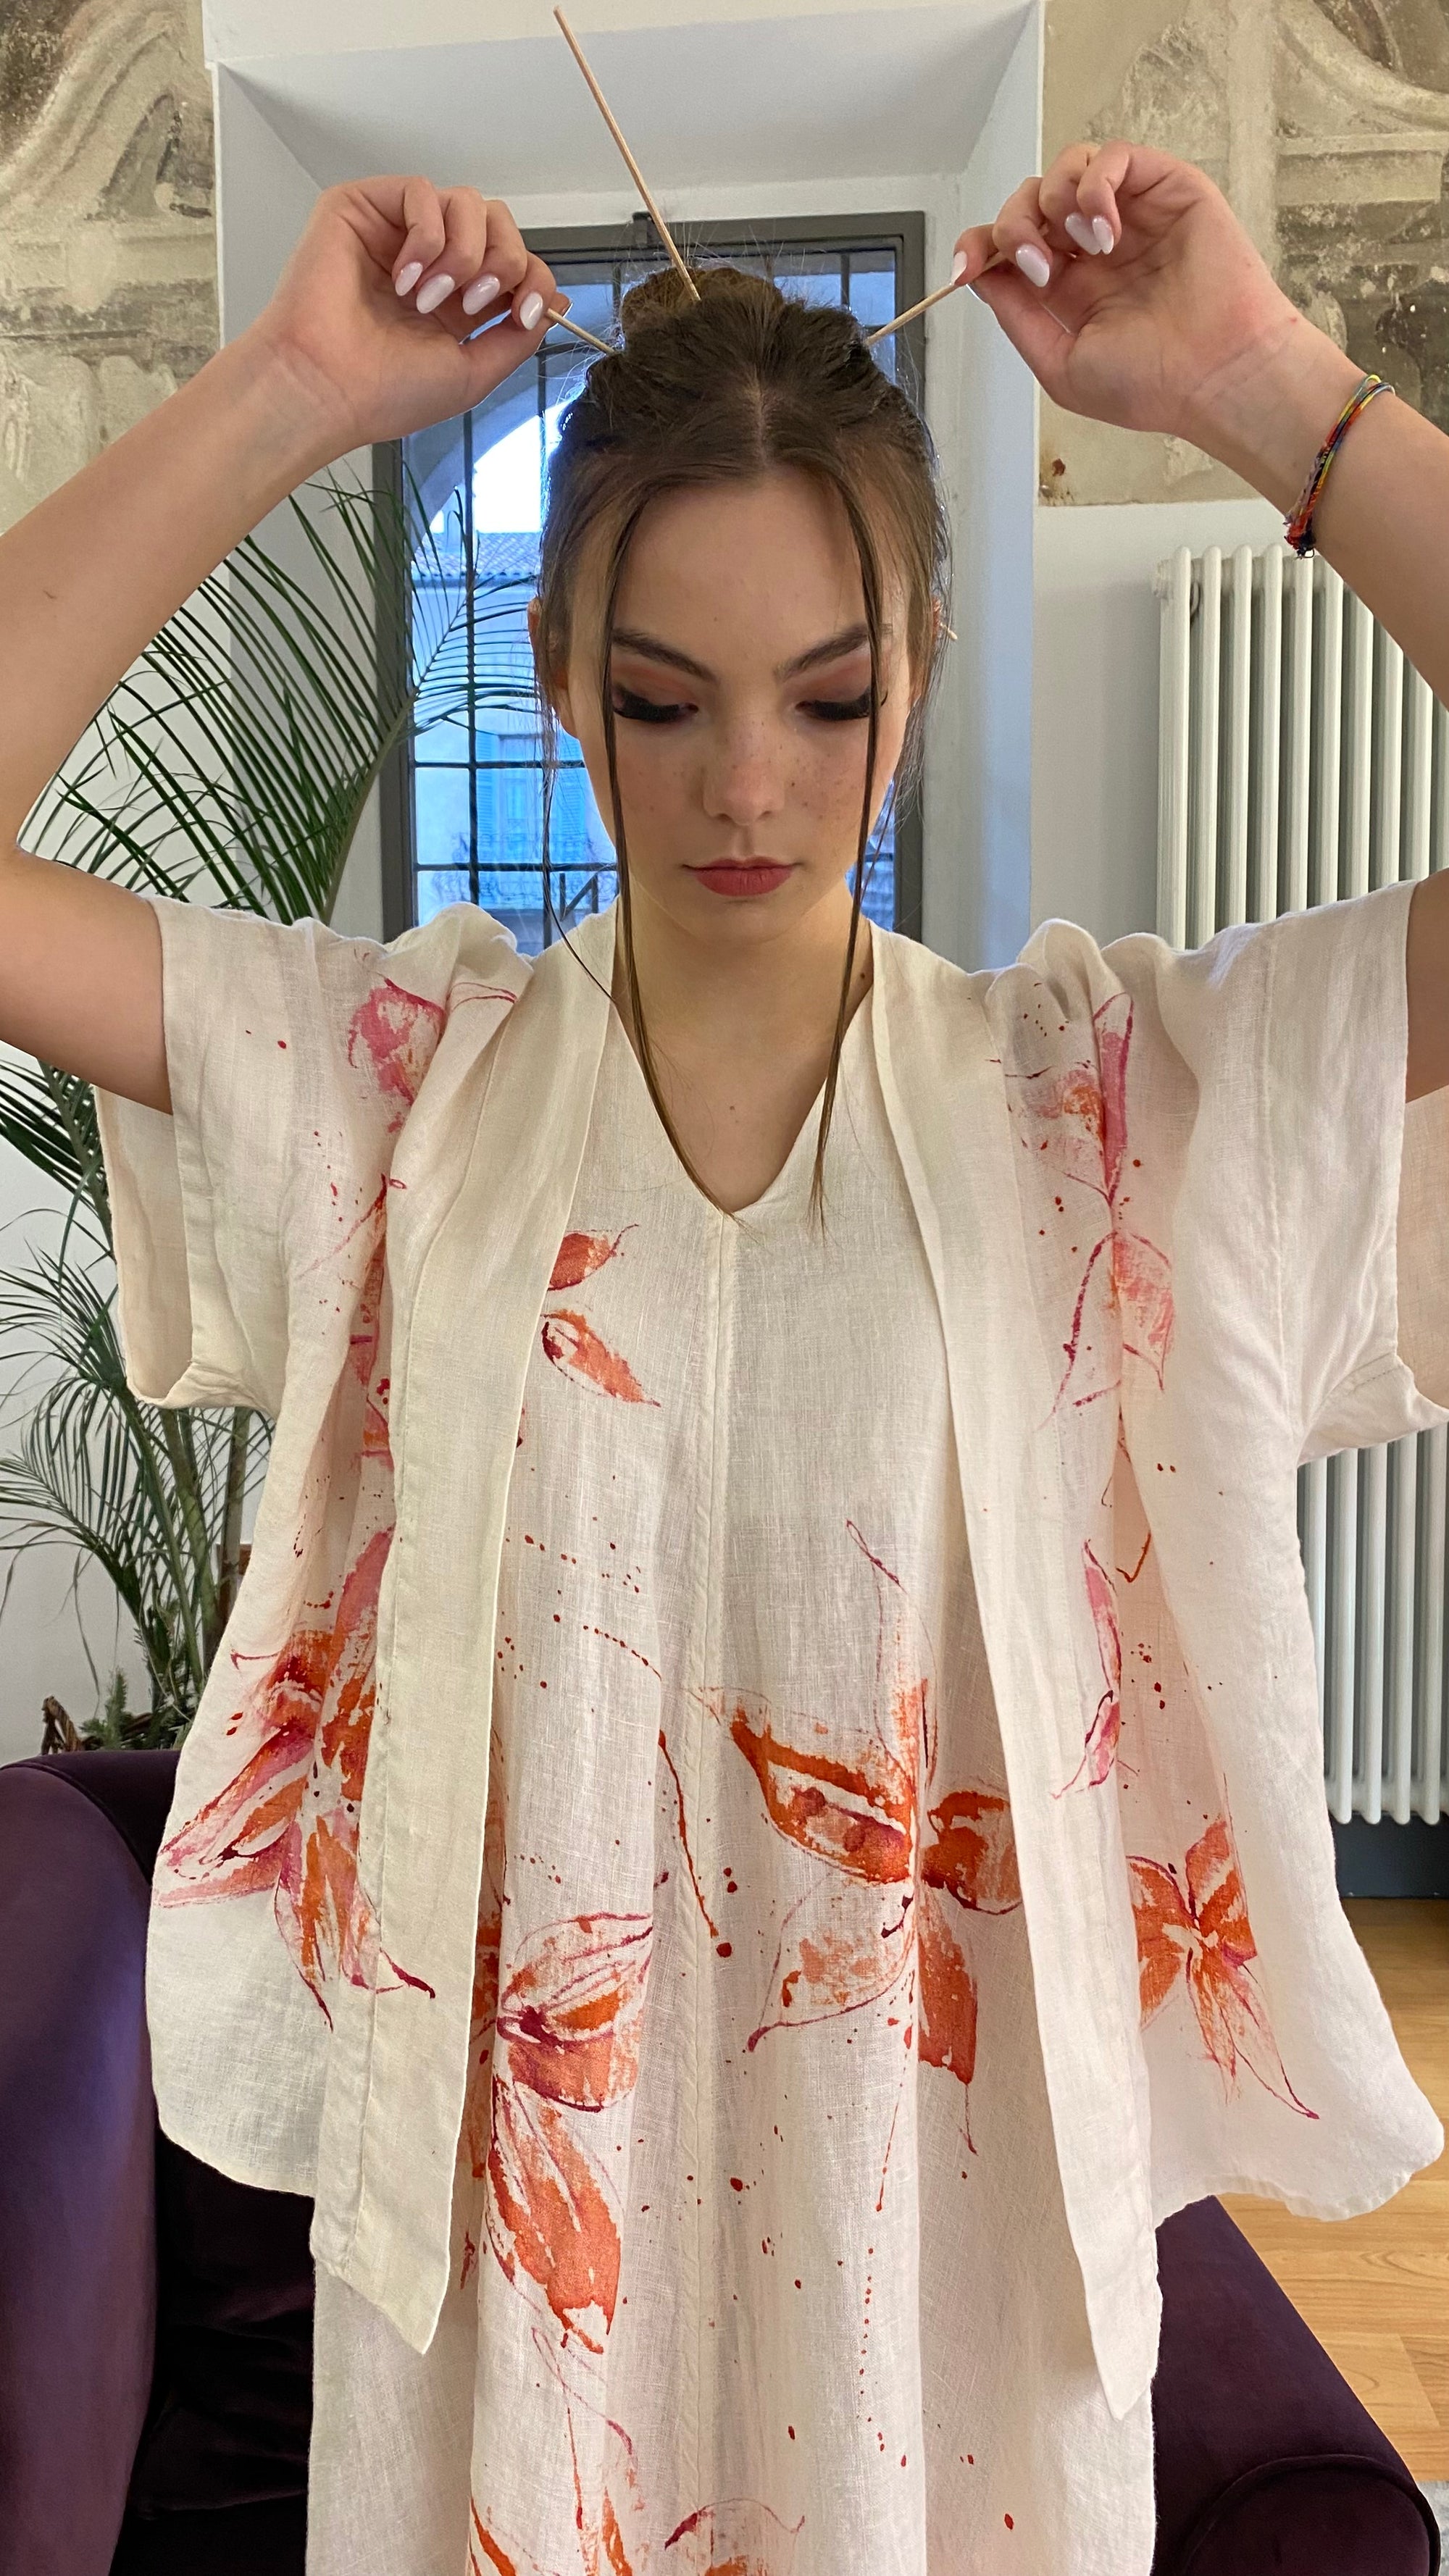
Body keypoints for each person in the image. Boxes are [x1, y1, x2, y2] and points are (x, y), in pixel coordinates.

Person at [1, 142, 1447, 2576]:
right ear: (561, 670)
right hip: (517, 2320)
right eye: (662, 698)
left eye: (829, 695)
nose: (750, 785)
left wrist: (1257, 378)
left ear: (923, 671)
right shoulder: (400, 1098)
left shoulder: (1096, 1119)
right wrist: (288, 390)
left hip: (950, 2318)